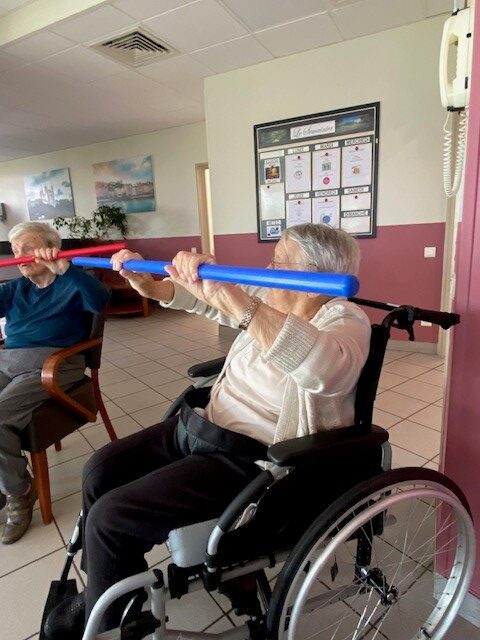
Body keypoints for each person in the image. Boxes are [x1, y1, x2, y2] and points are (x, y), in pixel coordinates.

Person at [45, 223, 371, 638]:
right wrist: (154, 286)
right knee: (100, 468)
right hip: (205, 425)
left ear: (310, 278)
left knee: (112, 517)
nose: (268, 268)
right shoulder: (274, 296)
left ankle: (110, 623)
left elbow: (328, 370)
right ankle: (110, 591)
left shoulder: (345, 317)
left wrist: (242, 305)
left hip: (252, 456)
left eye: (279, 262)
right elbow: (211, 304)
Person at [0, 222, 110, 544]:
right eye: (15, 250)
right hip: (10, 361)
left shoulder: (73, 282)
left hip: (56, 364)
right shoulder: (16, 288)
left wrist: (65, 269)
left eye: (28, 248)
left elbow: (100, 301)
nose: (20, 257)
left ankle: (20, 494)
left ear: (51, 249)